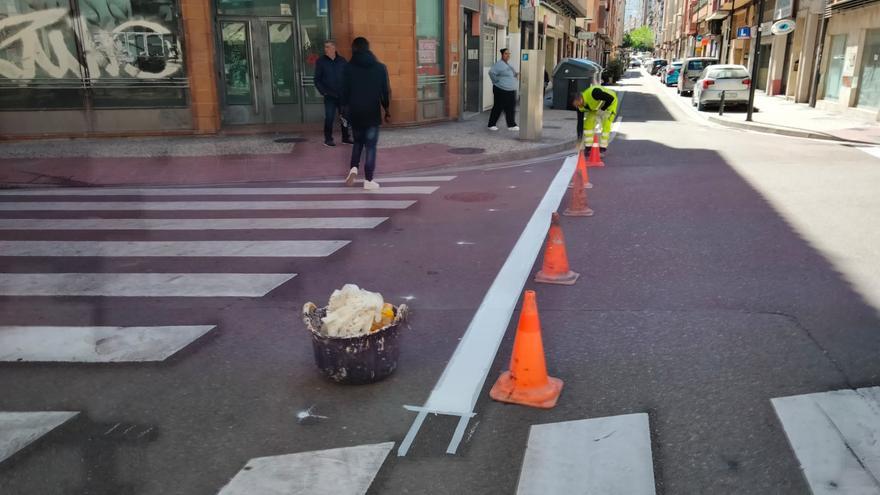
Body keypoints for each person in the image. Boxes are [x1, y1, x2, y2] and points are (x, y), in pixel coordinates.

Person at [341, 37, 391, 190]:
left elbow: (343, 93)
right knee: (370, 147)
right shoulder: (380, 67)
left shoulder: (347, 68)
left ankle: (354, 168)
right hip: (372, 113)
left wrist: (343, 111)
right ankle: (369, 180)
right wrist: (386, 109)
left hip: (355, 113)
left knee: (357, 142)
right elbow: (385, 92)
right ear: (368, 48)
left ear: (354, 49)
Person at [314, 40, 351, 147]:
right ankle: (328, 139)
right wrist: (324, 92)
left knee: (344, 117)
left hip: (342, 95)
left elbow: (348, 76)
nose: (326, 49)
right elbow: (317, 80)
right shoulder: (321, 61)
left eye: (328, 47)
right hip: (329, 95)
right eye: (325, 47)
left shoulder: (342, 61)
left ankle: (346, 138)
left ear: (334, 48)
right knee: (329, 117)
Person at [573, 85, 618, 154]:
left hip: (609, 104)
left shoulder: (594, 93)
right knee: (588, 124)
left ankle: (602, 148)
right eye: (576, 105)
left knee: (606, 125)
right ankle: (588, 148)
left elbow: (610, 98)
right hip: (595, 107)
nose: (578, 106)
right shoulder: (579, 106)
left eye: (578, 104)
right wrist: (579, 139)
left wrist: (602, 109)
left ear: (580, 99)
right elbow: (580, 122)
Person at [487, 48, 519, 131]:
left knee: (511, 108)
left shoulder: (508, 64)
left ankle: (511, 125)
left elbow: (510, 74)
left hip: (510, 90)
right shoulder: (499, 64)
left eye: (509, 54)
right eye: (506, 53)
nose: (508, 55)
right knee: (498, 107)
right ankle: (491, 124)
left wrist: (516, 75)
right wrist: (496, 81)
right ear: (502, 55)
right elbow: (491, 72)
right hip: (501, 89)